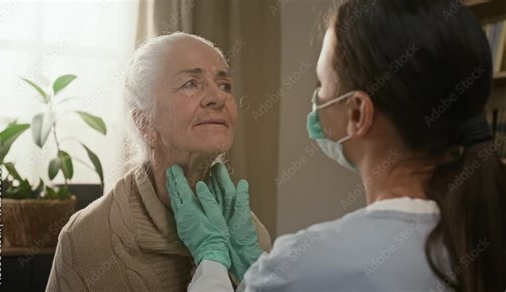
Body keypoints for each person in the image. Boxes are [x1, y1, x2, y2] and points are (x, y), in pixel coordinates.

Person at [166, 0, 506, 291]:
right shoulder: (481, 230)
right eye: (191, 84)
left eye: (323, 86)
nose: (215, 98)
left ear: (357, 112)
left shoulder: (309, 265)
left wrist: (212, 259)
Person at [46, 32, 271, 291]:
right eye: (191, 83)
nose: (218, 98)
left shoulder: (249, 235)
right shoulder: (87, 239)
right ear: (145, 122)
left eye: (225, 85)